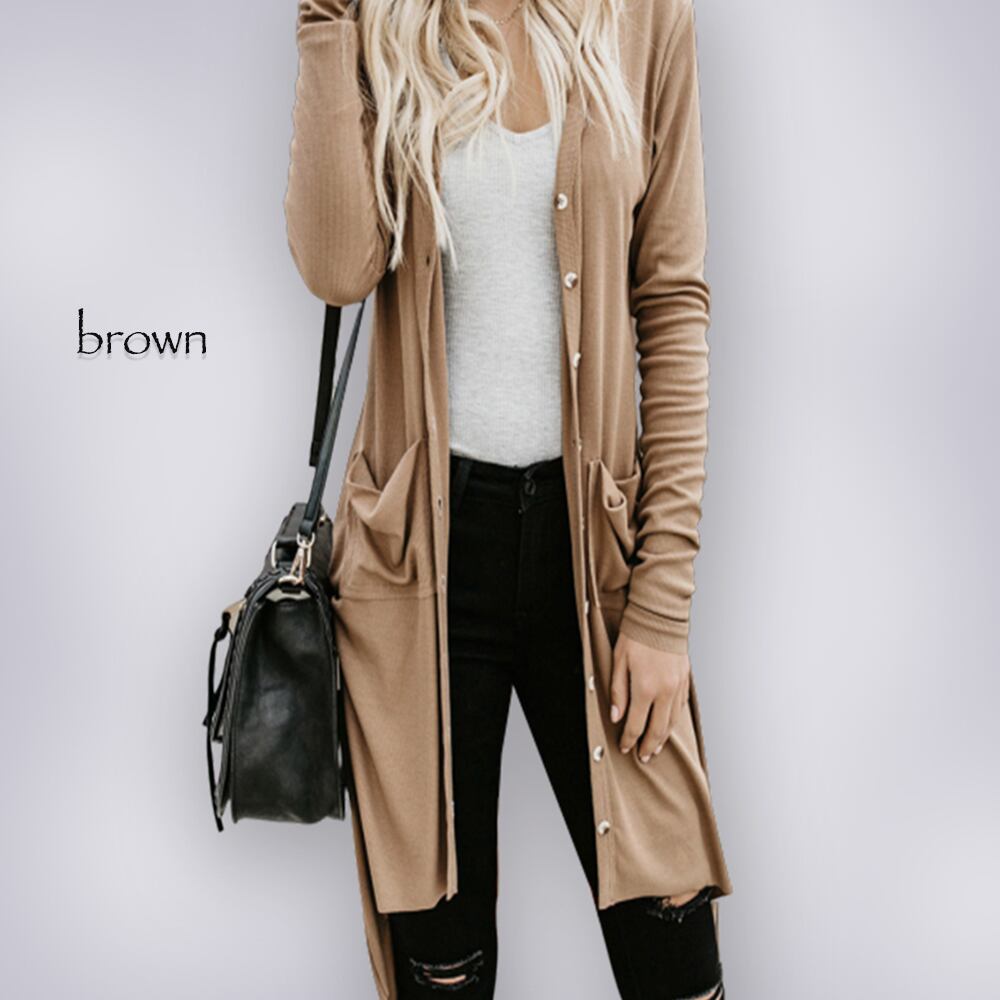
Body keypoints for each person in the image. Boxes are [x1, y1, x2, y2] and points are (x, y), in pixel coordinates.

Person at [284, 0, 733, 996]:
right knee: (441, 965)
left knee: (673, 942)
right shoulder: (384, 22)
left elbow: (671, 301)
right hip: (415, 569)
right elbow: (337, 267)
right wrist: (324, 24)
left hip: (599, 565)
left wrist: (662, 601)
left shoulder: (645, 19)